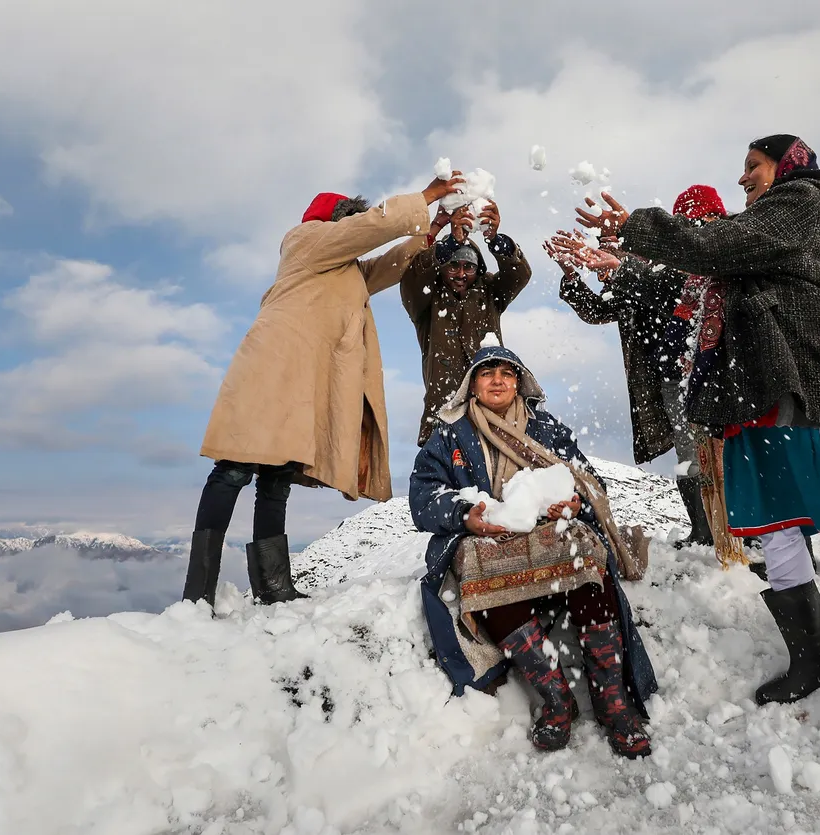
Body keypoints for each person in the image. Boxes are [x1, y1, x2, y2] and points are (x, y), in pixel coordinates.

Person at [575, 134, 820, 750]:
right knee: (775, 530)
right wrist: (625, 266)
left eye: (752, 167)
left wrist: (639, 229)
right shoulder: (759, 230)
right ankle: (817, 657)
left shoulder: (806, 203)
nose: (744, 179)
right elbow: (697, 275)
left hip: (810, 389)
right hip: (752, 400)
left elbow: (722, 244)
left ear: (788, 163)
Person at [183, 174, 464, 607]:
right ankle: (198, 593)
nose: (352, 230)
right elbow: (366, 229)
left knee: (276, 479)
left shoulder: (344, 270)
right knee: (234, 470)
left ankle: (273, 588)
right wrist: (424, 197)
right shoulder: (306, 240)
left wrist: (432, 228)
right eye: (347, 220)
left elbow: (386, 266)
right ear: (332, 221)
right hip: (270, 373)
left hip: (300, 385)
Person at [410, 345, 657, 758]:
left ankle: (612, 699)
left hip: (549, 534)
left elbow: (585, 477)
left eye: (507, 373)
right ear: (472, 383)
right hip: (491, 535)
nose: (498, 380)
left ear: (519, 382)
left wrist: (573, 501)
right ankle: (557, 698)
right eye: (487, 372)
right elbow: (423, 493)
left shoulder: (544, 427)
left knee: (583, 551)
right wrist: (466, 515)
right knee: (478, 565)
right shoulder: (450, 434)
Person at [547, 185, 726, 552]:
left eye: (613, 241)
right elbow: (597, 311)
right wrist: (571, 277)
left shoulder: (667, 268)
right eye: (605, 242)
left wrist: (620, 267)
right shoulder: (630, 280)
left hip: (704, 371)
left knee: (714, 453)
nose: (607, 247)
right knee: (688, 455)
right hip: (667, 378)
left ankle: (728, 530)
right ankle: (703, 530)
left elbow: (671, 290)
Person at [400, 200, 532, 445]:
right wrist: (447, 245)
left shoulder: (491, 293)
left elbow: (519, 275)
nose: (461, 274)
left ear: (479, 270)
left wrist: (495, 240)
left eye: (469, 267)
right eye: (453, 266)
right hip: (442, 415)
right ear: (441, 268)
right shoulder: (426, 303)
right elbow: (411, 283)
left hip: (492, 415)